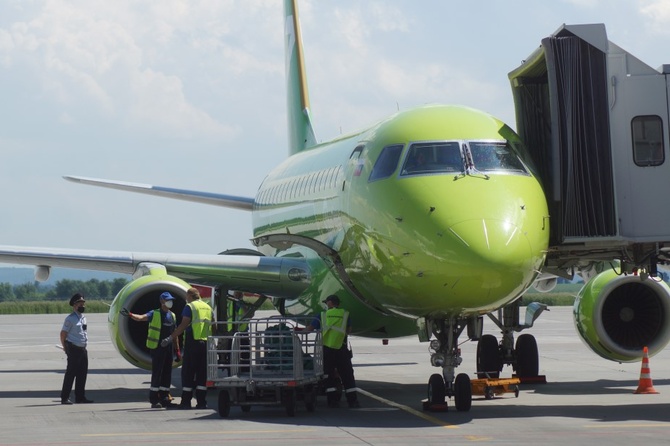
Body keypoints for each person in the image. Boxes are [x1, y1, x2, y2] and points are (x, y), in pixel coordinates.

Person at [122, 291, 179, 408]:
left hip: (168, 348)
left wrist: (177, 350)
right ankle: (154, 399)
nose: (170, 302)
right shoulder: (154, 313)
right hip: (157, 348)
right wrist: (131, 315)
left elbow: (175, 334)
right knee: (157, 373)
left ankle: (164, 397)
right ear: (162, 301)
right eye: (168, 300)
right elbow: (141, 318)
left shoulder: (172, 315)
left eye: (171, 300)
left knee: (167, 373)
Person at [163, 287, 213, 409]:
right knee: (202, 374)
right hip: (206, 343)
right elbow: (214, 325)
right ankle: (201, 402)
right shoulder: (208, 307)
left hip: (193, 343)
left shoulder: (190, 307)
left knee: (188, 373)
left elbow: (183, 325)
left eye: (187, 296)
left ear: (190, 296)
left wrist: (171, 337)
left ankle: (186, 402)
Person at [307, 294, 360, 408]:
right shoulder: (345, 314)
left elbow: (310, 329)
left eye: (326, 302)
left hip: (327, 350)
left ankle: (332, 402)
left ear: (330, 303)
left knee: (328, 375)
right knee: (347, 375)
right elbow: (348, 330)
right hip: (341, 348)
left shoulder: (322, 315)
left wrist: (297, 331)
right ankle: (353, 401)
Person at [60, 293, 93, 404]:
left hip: (83, 349)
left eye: (83, 304)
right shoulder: (71, 319)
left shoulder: (83, 318)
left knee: (82, 374)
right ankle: (65, 397)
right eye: (80, 304)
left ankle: (80, 397)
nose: (82, 306)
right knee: (70, 374)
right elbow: (63, 333)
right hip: (74, 349)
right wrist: (65, 347)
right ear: (74, 305)